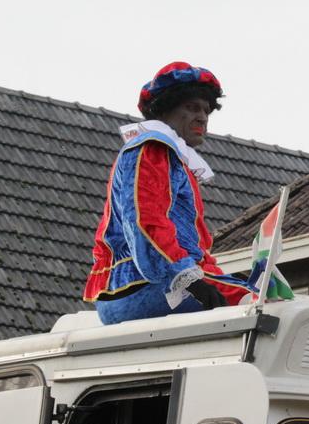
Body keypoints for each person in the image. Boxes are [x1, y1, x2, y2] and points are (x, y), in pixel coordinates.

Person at [83, 62, 257, 324]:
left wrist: (214, 278)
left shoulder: (174, 158)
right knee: (266, 303)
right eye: (192, 107)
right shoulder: (151, 148)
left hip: (144, 287)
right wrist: (187, 278)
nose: (202, 117)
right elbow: (145, 222)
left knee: (259, 293)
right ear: (166, 109)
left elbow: (193, 246)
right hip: (142, 287)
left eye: (206, 110)